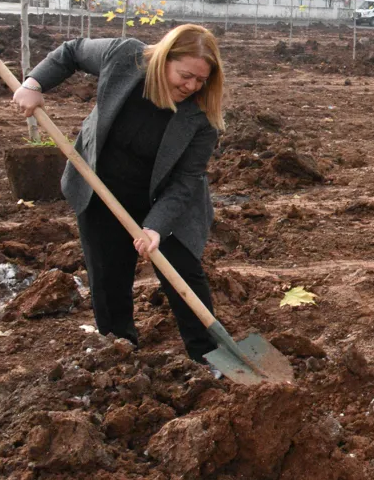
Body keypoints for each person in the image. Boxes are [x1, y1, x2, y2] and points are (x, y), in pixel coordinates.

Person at [12, 25, 226, 363]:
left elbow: (186, 180)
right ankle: (121, 355)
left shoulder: (201, 117)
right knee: (108, 277)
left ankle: (210, 356)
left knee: (183, 271)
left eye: (201, 80)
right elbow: (73, 51)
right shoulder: (125, 56)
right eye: (185, 75)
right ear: (162, 60)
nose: (192, 86)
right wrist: (34, 83)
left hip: (166, 201)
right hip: (102, 188)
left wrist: (155, 226)